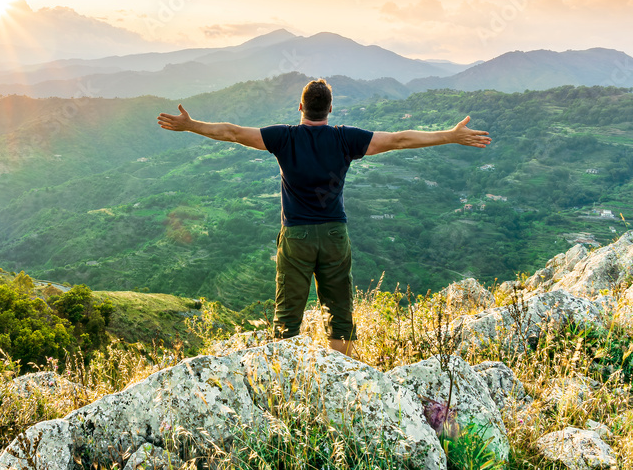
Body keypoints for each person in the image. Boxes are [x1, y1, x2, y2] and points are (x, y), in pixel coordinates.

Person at [156, 78, 491, 356]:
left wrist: (190, 126)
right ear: (330, 109)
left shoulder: (283, 137)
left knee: (287, 317)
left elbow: (230, 131)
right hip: (334, 235)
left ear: (301, 108)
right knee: (340, 315)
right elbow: (400, 139)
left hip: (297, 237)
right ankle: (341, 381)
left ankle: (285, 387)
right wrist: (450, 135)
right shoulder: (346, 138)